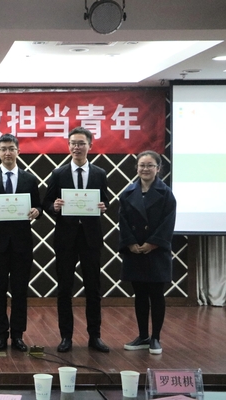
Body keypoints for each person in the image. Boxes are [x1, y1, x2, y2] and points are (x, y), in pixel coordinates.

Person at [42, 126, 110, 353]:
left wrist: (103, 206)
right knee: (64, 289)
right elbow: (46, 203)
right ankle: (66, 337)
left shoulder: (100, 173)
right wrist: (55, 207)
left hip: (91, 238)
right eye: (73, 143)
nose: (77, 147)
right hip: (65, 238)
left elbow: (106, 201)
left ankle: (95, 336)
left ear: (90, 146)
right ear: (68, 146)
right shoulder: (58, 174)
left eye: (81, 143)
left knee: (93, 288)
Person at [0, 134, 42, 352]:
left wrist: (37, 211)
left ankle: (18, 335)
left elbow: (39, 206)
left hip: (22, 243)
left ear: (18, 152)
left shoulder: (30, 179)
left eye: (11, 149)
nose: (7, 153)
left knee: (20, 291)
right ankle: (0, 335)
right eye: (3, 149)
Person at [119, 150, 176, 355]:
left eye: (150, 165)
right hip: (135, 252)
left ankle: (156, 338)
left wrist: (153, 243)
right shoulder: (127, 193)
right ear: (136, 168)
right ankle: (143, 336)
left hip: (156, 252)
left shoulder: (166, 193)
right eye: (142, 165)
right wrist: (130, 244)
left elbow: (168, 222)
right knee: (140, 295)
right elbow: (123, 221)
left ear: (158, 168)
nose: (145, 169)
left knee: (157, 295)